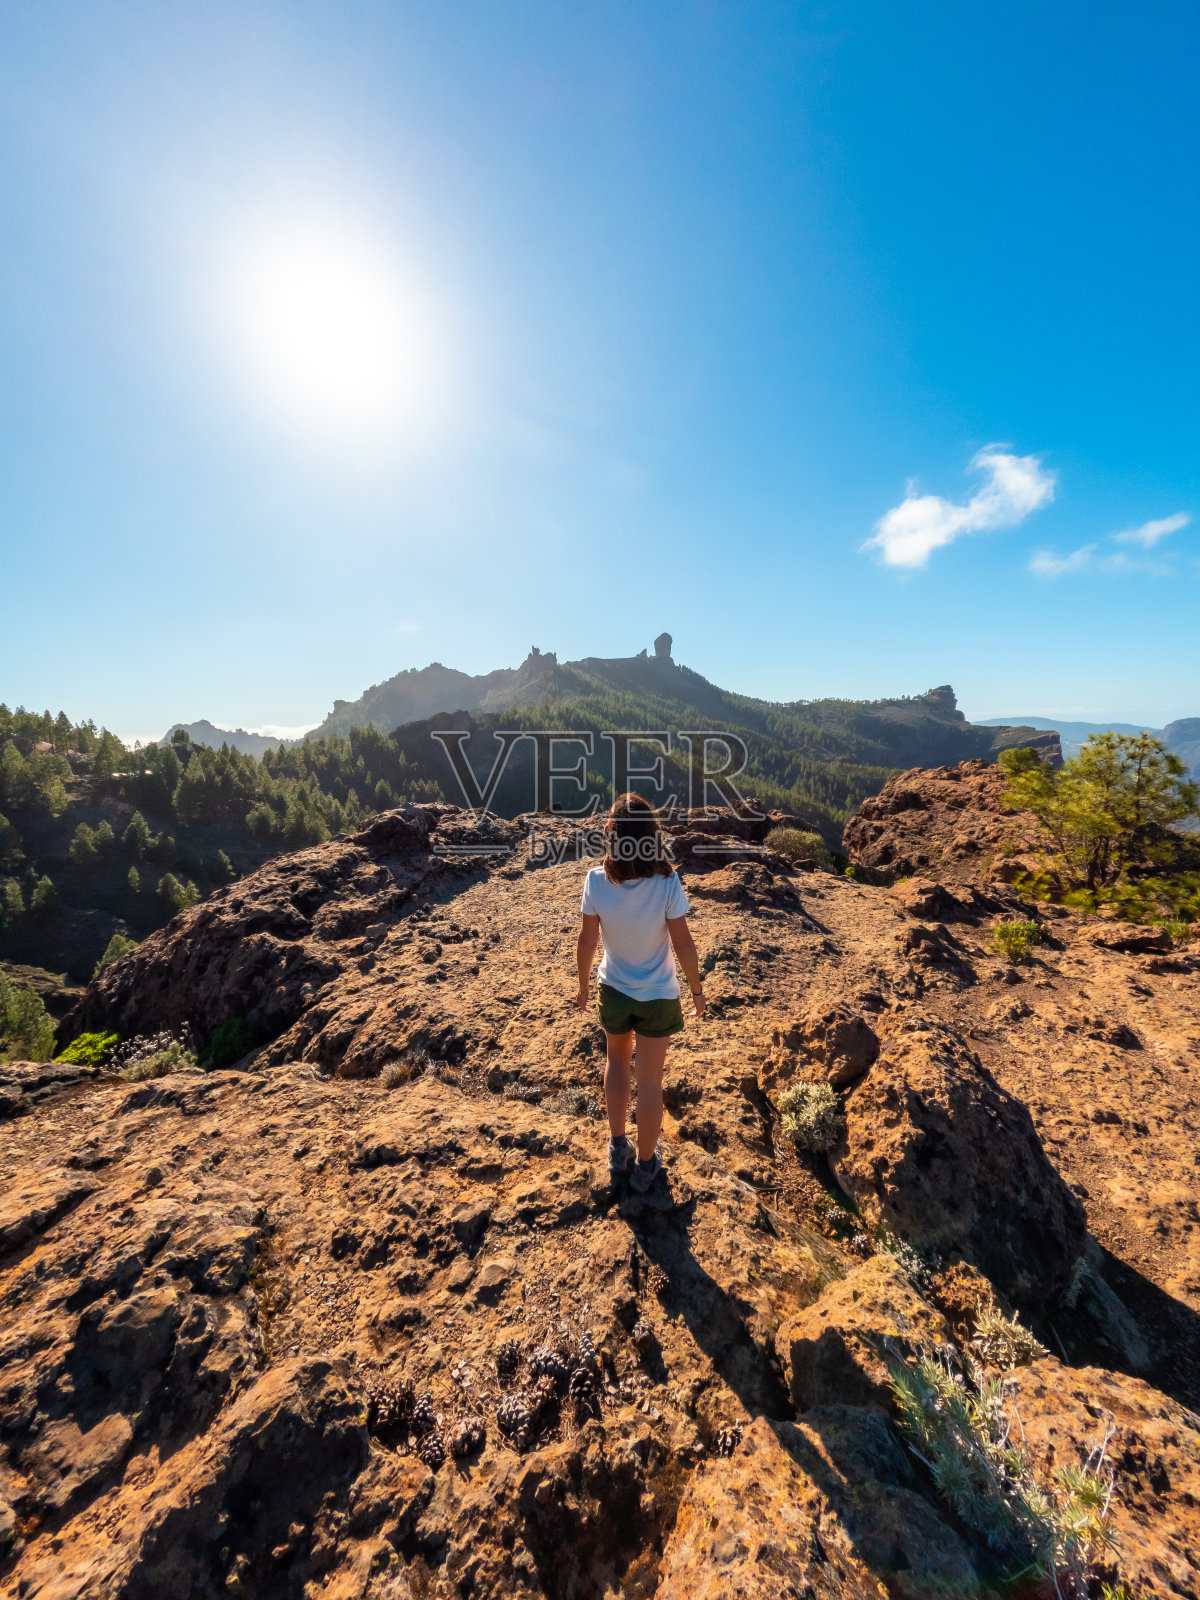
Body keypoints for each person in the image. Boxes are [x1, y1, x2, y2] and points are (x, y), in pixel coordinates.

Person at [574, 793, 706, 1192]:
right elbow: (683, 944)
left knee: (616, 1063)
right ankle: (646, 1167)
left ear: (612, 836)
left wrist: (582, 986)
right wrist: (697, 990)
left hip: (613, 990)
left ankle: (618, 1148)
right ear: (651, 836)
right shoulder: (666, 883)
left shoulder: (596, 880)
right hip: (658, 997)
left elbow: (587, 940)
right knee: (650, 1083)